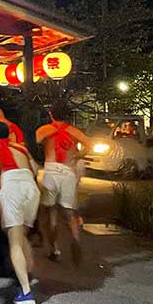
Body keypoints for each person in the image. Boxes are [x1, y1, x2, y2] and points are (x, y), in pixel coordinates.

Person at [0, 121, 40, 304]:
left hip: (11, 186)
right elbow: (36, 170)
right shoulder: (21, 148)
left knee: (14, 241)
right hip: (30, 187)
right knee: (21, 235)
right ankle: (27, 271)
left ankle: (26, 291)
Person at [35, 105, 90, 266]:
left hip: (51, 171)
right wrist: (78, 155)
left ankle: (55, 249)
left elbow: (34, 140)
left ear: (51, 115)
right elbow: (89, 144)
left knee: (49, 214)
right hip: (68, 171)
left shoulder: (45, 129)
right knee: (68, 211)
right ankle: (75, 236)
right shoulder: (73, 130)